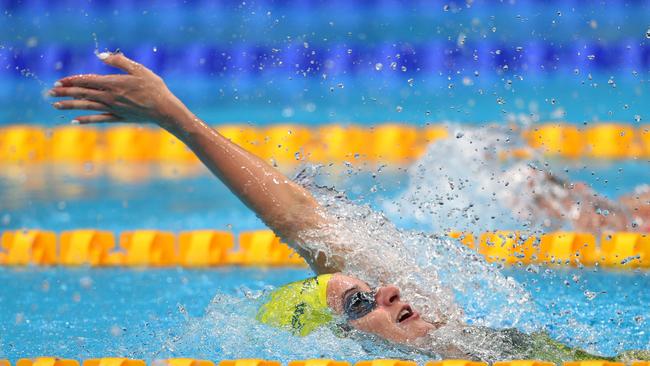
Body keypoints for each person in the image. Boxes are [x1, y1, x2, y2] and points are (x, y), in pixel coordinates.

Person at [49, 52, 649, 362]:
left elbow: (301, 220)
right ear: (339, 343)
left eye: (374, 287)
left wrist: (177, 120)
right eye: (362, 302)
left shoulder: (458, 335)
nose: (390, 293)